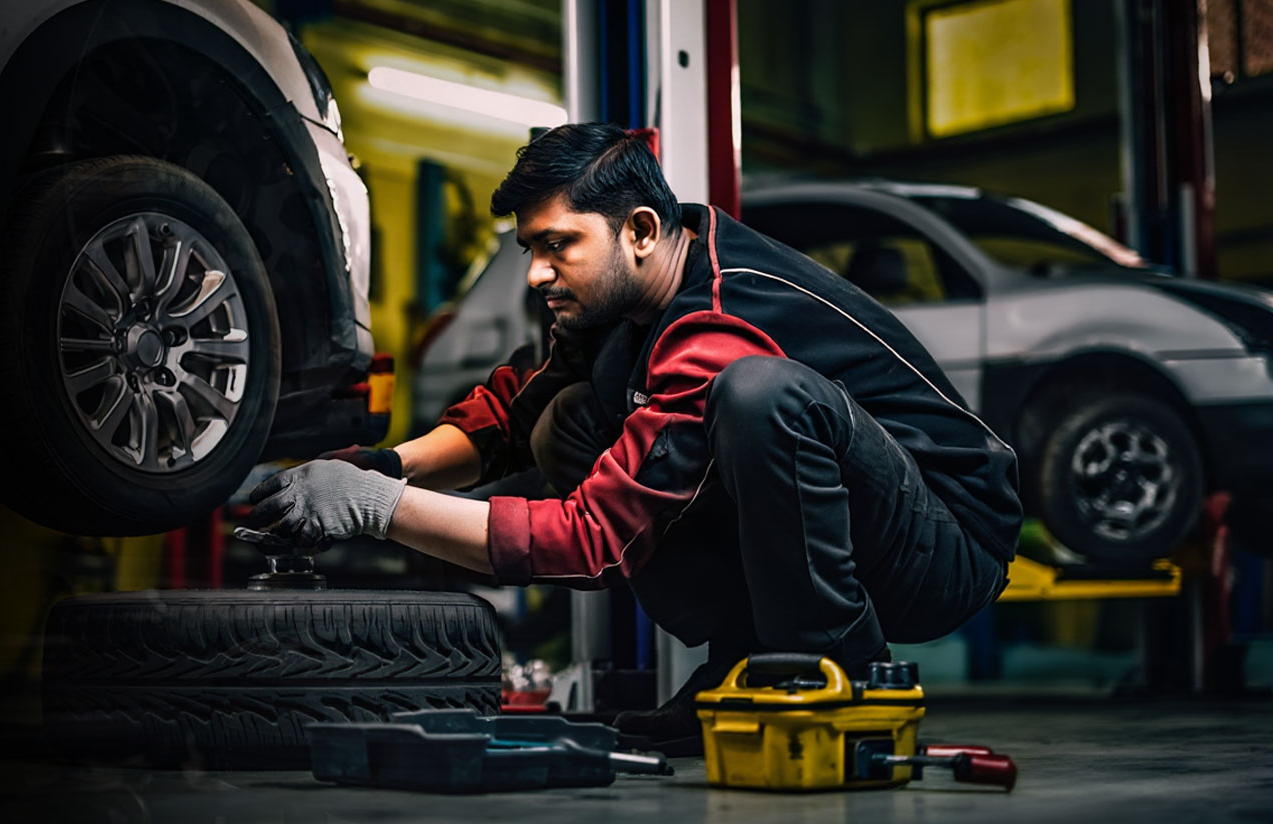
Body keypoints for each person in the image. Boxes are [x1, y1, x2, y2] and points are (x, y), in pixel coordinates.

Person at [244, 123, 1021, 754]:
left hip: (947, 543)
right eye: (530, 251)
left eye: (558, 245)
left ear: (641, 230)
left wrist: (378, 507)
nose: (537, 274)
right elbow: (514, 409)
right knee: (573, 416)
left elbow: (595, 536)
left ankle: (826, 682)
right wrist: (385, 464)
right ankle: (741, 668)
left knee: (761, 396)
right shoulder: (629, 301)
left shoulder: (719, 316)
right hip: (867, 526)